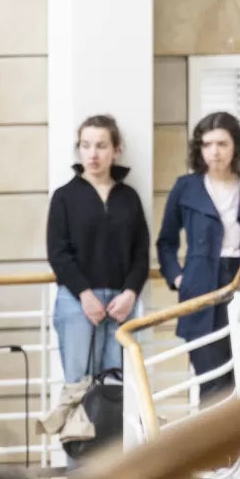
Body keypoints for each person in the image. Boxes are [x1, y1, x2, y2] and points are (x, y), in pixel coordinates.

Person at [157, 112, 240, 399]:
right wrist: (179, 278)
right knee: (212, 386)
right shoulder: (186, 187)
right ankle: (218, 444)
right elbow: (166, 242)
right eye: (207, 144)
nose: (214, 152)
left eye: (221, 143)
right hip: (200, 286)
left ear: (236, 147)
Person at [47, 116, 150, 386]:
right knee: (79, 384)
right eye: (86, 145)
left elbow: (141, 252)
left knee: (119, 386)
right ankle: (78, 431)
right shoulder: (64, 197)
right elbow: (58, 252)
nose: (93, 154)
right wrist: (85, 295)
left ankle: (113, 432)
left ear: (116, 150)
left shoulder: (129, 197)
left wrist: (130, 293)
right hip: (77, 301)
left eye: (101, 146)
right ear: (78, 149)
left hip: (122, 303)